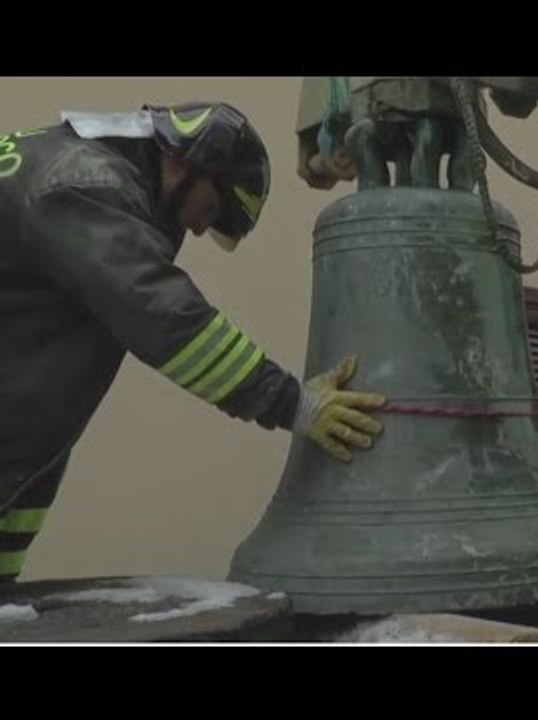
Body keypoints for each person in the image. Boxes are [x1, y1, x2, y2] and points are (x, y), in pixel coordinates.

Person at [0, 102, 387, 584]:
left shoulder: (58, 169)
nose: (201, 228)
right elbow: (168, 319)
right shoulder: (83, 186)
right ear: (186, 161)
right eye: (210, 209)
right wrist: (294, 404)